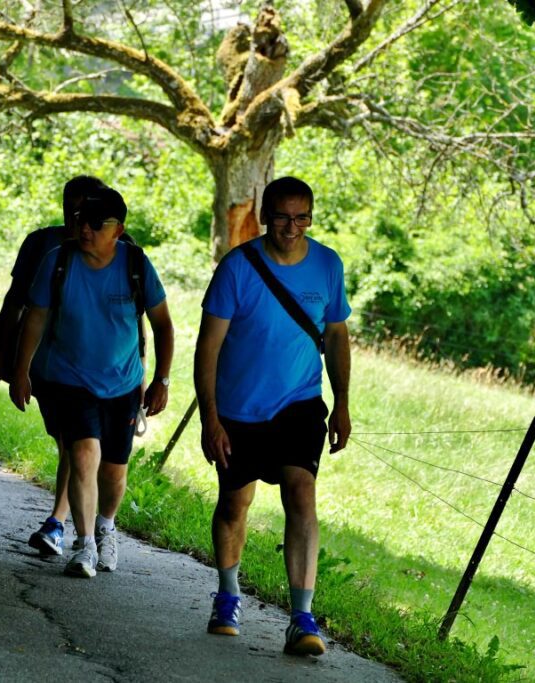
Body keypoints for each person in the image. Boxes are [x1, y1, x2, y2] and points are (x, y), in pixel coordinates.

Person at [194, 176, 351, 656]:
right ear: (264, 215)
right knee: (234, 504)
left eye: (301, 217)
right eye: (282, 216)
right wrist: (211, 419)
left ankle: (302, 618)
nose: (291, 226)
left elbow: (338, 337)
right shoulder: (237, 268)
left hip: (299, 404)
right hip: (239, 409)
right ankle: (227, 594)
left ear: (311, 218)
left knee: (302, 495)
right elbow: (209, 347)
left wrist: (341, 402)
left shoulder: (327, 264)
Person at [10, 187, 174, 577]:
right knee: (82, 455)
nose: (85, 229)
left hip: (123, 383)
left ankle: (106, 527)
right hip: (70, 378)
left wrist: (162, 379)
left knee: (114, 471)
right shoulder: (59, 261)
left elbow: (164, 325)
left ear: (118, 230)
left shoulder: (136, 264)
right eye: (81, 220)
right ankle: (84, 545)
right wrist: (20, 371)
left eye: (96, 223)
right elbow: (34, 318)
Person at [0, 175, 141, 556]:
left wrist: (147, 375)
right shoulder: (42, 244)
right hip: (48, 365)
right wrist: (3, 357)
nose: (79, 217)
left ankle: (61, 523)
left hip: (104, 370)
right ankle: (69, 524)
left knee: (77, 444)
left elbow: (139, 320)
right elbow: (16, 303)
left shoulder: (125, 250)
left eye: (88, 209)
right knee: (69, 442)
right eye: (73, 207)